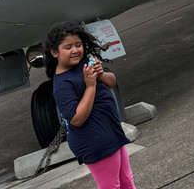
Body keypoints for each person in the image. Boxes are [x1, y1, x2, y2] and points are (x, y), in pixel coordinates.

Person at [45, 22, 136, 189]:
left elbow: (112, 81)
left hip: (111, 131)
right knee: (111, 186)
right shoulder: (62, 84)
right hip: (95, 141)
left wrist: (101, 74)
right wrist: (90, 86)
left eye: (78, 45)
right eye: (68, 47)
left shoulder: (85, 62)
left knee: (126, 181)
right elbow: (77, 119)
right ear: (54, 52)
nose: (75, 50)